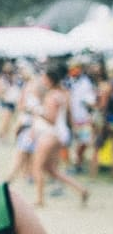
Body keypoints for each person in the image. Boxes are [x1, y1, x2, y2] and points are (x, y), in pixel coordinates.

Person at [30, 64, 89, 206]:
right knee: (52, 170)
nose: (42, 81)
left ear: (50, 80)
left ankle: (39, 199)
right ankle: (81, 190)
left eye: (44, 78)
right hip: (59, 135)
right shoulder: (63, 94)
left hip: (49, 134)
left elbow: (51, 118)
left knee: (37, 167)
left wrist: (36, 110)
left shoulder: (52, 96)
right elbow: (68, 115)